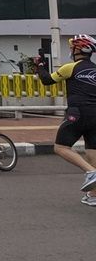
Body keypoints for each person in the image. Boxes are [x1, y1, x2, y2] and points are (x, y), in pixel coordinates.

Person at [34, 34, 96, 205]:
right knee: (93, 153)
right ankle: (94, 196)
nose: (70, 50)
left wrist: (40, 65)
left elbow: (47, 80)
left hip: (78, 112)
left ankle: (91, 172)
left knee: (61, 147)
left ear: (78, 49)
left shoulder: (71, 67)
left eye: (71, 47)